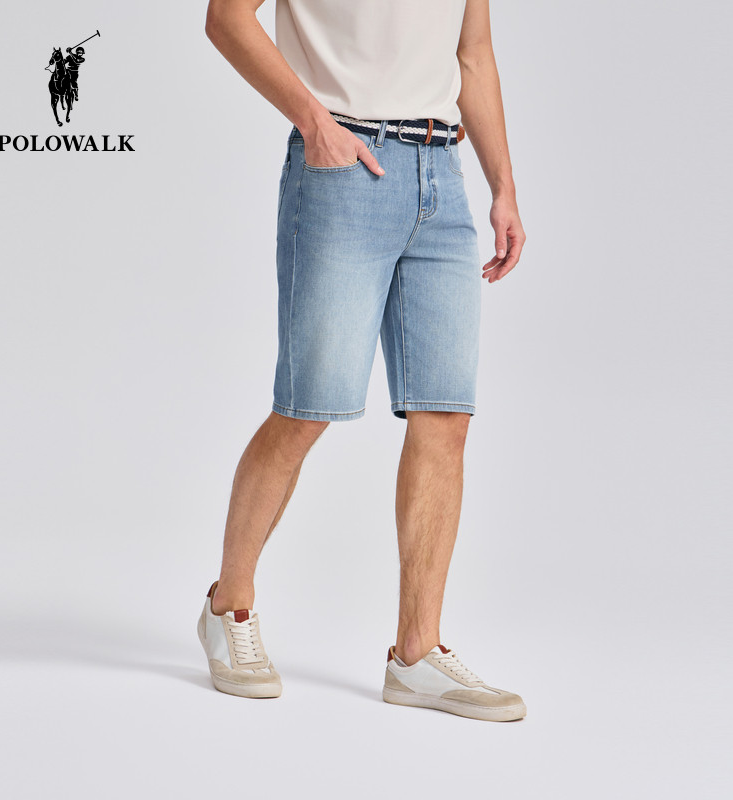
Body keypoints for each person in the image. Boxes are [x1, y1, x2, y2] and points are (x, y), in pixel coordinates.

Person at [198, 0, 527, 723]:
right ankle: (229, 607)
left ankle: (416, 654)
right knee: (308, 407)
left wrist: (502, 185)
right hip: (344, 165)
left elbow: (473, 55)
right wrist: (313, 120)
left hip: (442, 174)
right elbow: (226, 16)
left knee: (446, 415)